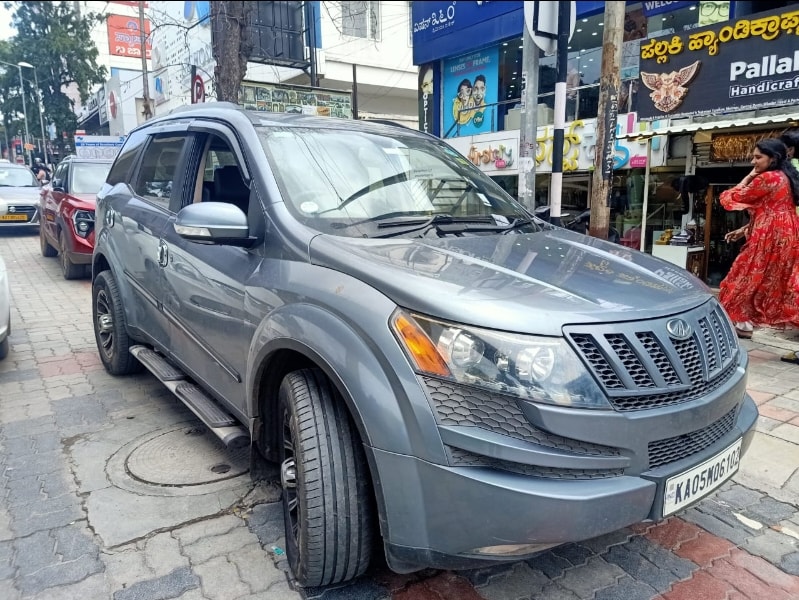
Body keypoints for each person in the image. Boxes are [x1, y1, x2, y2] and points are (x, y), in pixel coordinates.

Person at [717, 138, 799, 340]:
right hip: (787, 232)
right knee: (775, 280)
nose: (754, 162)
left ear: (773, 158)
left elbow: (732, 197)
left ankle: (741, 323)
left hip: (768, 234)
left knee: (746, 275)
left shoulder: (768, 178)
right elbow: (773, 209)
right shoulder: (786, 177)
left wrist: (748, 177)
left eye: (758, 157)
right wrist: (745, 228)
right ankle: (743, 324)